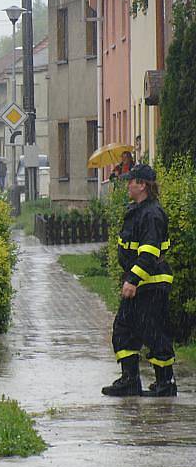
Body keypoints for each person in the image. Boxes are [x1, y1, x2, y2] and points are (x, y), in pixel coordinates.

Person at [102, 164, 177, 397]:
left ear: (142, 185)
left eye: (131, 181)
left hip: (150, 284)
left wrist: (132, 280)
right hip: (140, 283)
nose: (127, 185)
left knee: (153, 332)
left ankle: (166, 383)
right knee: (124, 329)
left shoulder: (152, 214)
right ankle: (130, 380)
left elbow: (148, 253)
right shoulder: (138, 210)